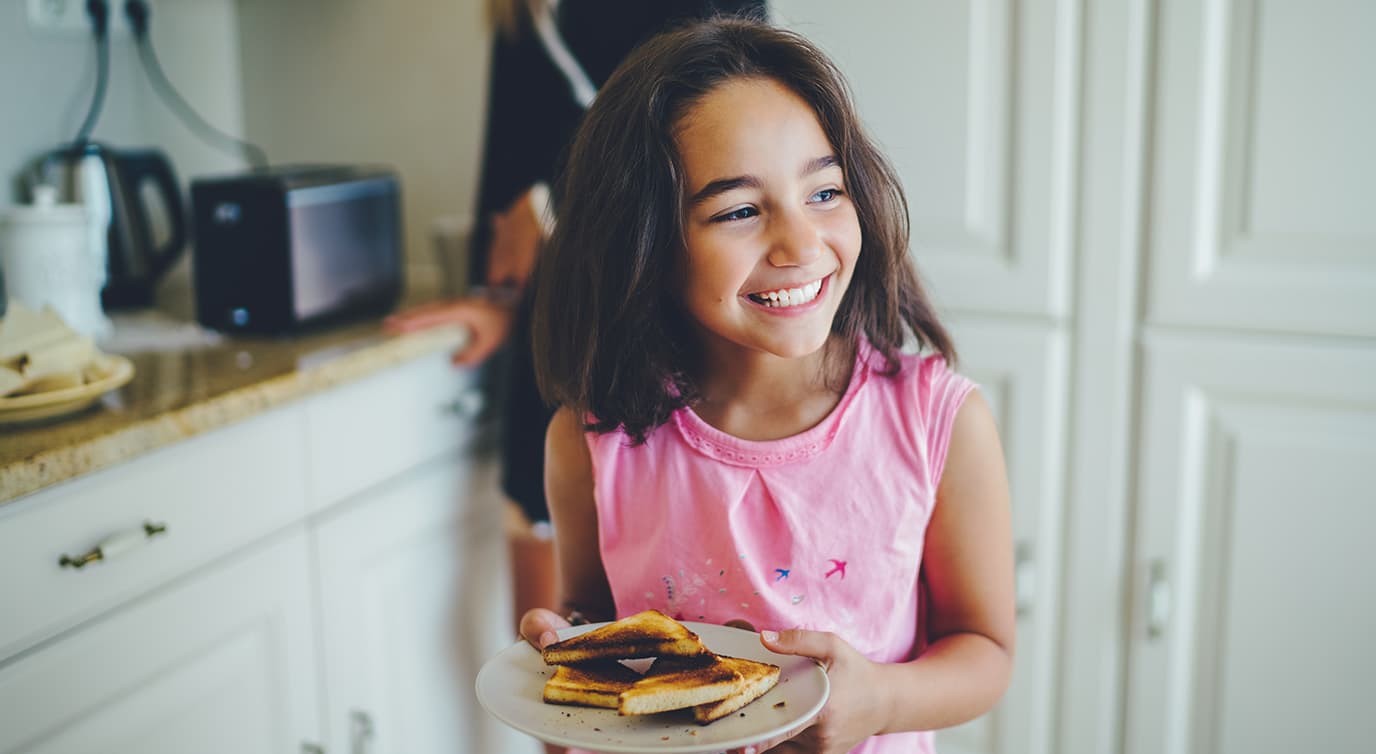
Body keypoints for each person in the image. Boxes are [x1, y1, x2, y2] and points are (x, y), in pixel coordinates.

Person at [518, 17, 1015, 754]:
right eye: (740, 211)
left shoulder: (938, 421)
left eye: (824, 192)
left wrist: (878, 699)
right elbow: (593, 621)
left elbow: (985, 650)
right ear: (645, 241)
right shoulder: (594, 439)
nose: (801, 243)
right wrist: (568, 662)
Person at [385, 0, 766, 633]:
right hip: (557, 315)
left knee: (681, 574)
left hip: (668, 312)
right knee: (547, 602)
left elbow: (726, 132)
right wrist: (494, 293)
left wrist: (550, 206)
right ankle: (563, 736)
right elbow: (509, 147)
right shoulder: (523, 10)